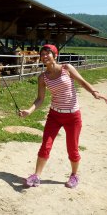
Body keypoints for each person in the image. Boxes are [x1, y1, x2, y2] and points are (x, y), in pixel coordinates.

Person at [19, 44, 107, 188]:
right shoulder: (43, 77)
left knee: (72, 148)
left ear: (55, 55)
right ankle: (36, 176)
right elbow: (40, 99)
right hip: (54, 115)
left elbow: (82, 81)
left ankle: (74, 175)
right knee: (45, 146)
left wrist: (94, 92)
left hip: (73, 116)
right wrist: (29, 110)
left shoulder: (67, 68)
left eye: (48, 53)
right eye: (42, 54)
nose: (45, 56)